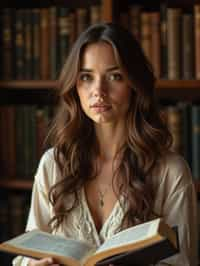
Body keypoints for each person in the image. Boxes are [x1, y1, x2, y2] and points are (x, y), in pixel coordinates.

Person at [13, 22, 198, 266]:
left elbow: (183, 262)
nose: (98, 91)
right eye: (86, 77)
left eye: (115, 76)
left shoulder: (170, 172)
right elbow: (27, 257)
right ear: (74, 86)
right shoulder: (53, 165)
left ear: (134, 84)